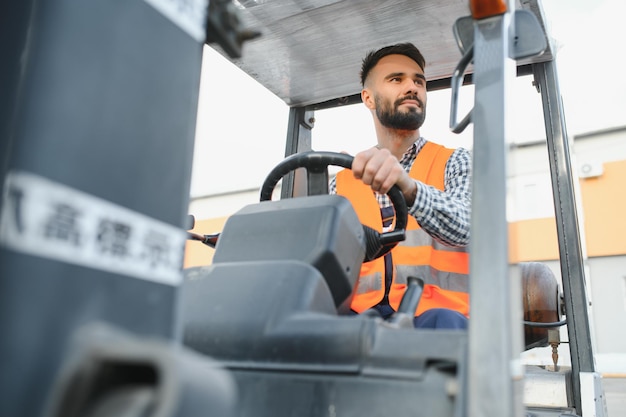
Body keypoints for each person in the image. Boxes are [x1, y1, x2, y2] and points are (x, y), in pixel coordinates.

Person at [330, 42, 471, 329]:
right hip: (358, 319)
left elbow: (466, 225)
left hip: (436, 317)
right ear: (368, 98)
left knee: (444, 324)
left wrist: (410, 188)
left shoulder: (456, 162)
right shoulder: (340, 183)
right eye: (397, 79)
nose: (412, 87)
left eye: (418, 81)